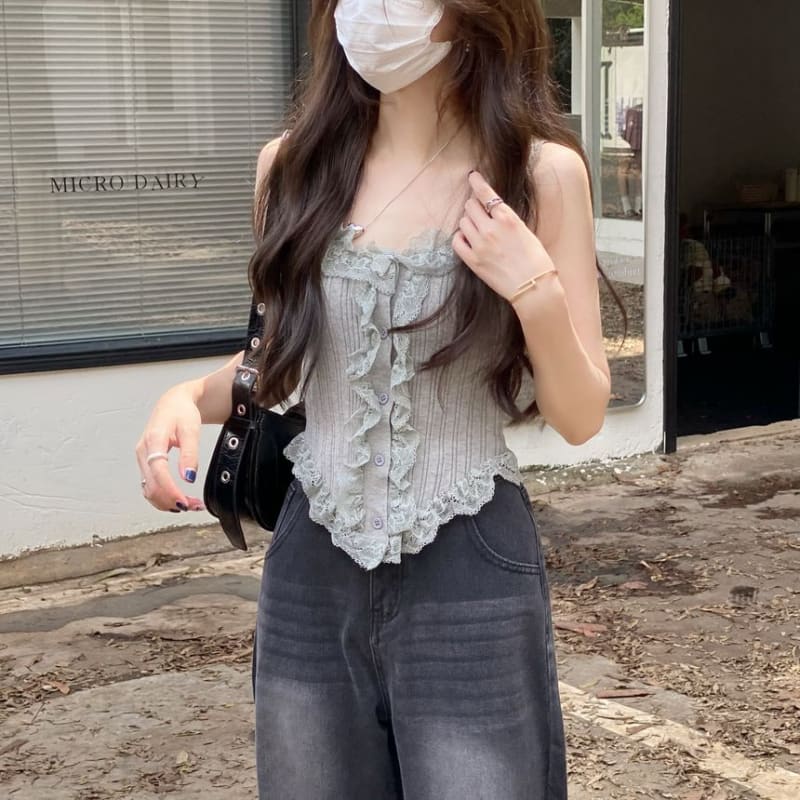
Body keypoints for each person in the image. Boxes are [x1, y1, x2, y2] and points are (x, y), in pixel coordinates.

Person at [136, 1, 621, 797]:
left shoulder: (539, 175)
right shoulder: (290, 169)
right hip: (310, 564)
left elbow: (582, 415)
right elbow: (280, 365)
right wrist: (187, 395)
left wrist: (533, 290)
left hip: (470, 560)